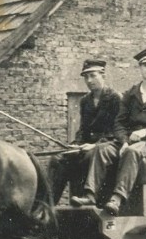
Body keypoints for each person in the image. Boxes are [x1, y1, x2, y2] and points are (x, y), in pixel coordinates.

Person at [71, 48, 146, 216]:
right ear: (140, 68)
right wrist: (124, 141)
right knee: (101, 149)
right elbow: (119, 123)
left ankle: (117, 198)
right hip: (129, 140)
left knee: (131, 152)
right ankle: (90, 195)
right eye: (145, 66)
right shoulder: (130, 94)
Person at [47, 59, 121, 201]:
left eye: (93, 75)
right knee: (58, 159)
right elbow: (83, 129)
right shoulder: (85, 100)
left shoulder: (115, 98)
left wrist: (95, 144)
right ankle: (48, 203)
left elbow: (117, 130)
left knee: (90, 155)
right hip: (87, 146)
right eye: (86, 77)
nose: (89, 80)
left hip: (109, 145)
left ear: (103, 76)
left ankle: (89, 196)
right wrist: (76, 143)